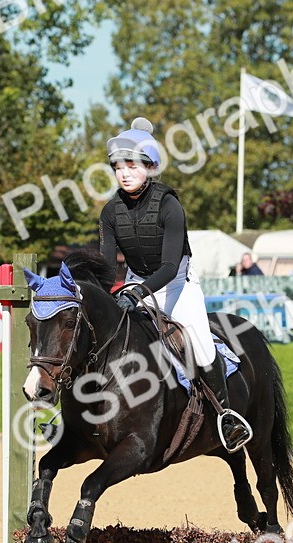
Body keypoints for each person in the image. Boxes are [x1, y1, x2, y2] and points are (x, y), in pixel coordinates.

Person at [100, 117, 251, 450]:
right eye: (118, 166)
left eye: (132, 164)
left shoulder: (169, 205)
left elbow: (169, 267)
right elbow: (107, 268)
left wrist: (136, 293)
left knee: (201, 344)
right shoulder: (110, 213)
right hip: (136, 284)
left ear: (151, 167)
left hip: (178, 284)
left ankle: (225, 417)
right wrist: (94, 292)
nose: (124, 172)